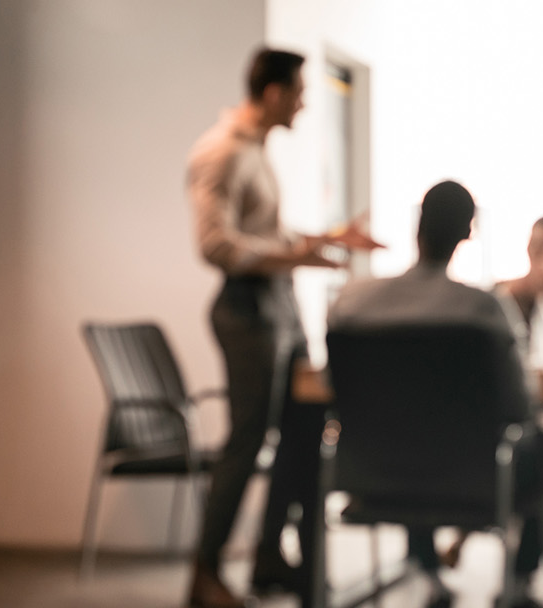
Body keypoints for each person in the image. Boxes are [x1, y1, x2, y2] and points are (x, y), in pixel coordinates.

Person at [185, 48, 379, 608]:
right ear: (272, 92)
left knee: (302, 432)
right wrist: (299, 258)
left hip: (279, 312)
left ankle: (272, 555)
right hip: (248, 313)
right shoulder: (220, 153)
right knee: (246, 442)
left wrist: (324, 241)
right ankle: (205, 572)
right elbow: (216, 245)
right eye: (298, 91)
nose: (303, 102)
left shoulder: (255, 152)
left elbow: (264, 230)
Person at [328, 180, 543, 607]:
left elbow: (335, 393)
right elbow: (519, 406)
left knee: (413, 435)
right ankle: (521, 581)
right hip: (474, 478)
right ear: (467, 233)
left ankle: (428, 569)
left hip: (372, 474)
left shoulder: (353, 305)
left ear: (416, 228)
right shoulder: (483, 310)